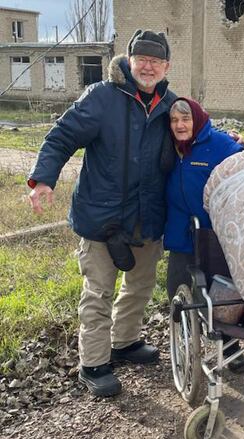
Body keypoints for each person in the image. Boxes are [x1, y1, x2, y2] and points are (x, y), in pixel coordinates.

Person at [27, 29, 177, 397]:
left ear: (166, 66)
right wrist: (44, 178)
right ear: (128, 60)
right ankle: (93, 363)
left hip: (147, 218)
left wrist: (236, 145)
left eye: (155, 61)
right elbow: (62, 135)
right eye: (141, 59)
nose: (148, 66)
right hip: (102, 220)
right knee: (98, 293)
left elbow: (196, 134)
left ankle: (124, 342)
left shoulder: (170, 105)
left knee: (139, 286)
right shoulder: (103, 98)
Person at [163, 97, 244, 373]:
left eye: (185, 119)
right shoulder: (166, 147)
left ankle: (230, 346)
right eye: (174, 120)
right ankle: (188, 348)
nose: (179, 125)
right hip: (180, 235)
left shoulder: (220, 144)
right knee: (179, 292)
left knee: (222, 293)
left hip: (214, 236)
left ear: (197, 119)